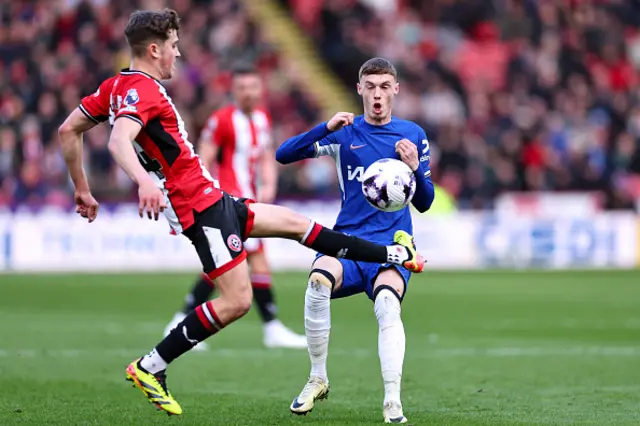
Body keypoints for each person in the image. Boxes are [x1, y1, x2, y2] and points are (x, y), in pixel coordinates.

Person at [57, 10, 425, 416]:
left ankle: (391, 256)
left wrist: (81, 187)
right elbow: (118, 141)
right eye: (175, 47)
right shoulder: (142, 92)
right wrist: (143, 179)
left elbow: (67, 131)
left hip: (213, 197)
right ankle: (151, 366)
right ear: (155, 49)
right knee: (236, 302)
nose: (178, 55)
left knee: (295, 224)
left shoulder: (114, 86)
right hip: (195, 205)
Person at [276, 57, 435, 424]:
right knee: (316, 283)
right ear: (359, 89)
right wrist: (323, 127)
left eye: (384, 87)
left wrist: (414, 168)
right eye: (371, 87)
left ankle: (392, 400)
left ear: (395, 89)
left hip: (392, 248)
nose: (377, 95)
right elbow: (284, 155)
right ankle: (318, 378)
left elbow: (425, 203)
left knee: (387, 305)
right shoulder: (344, 133)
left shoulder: (413, 135)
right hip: (346, 244)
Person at [163, 63, 306, 350]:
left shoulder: (262, 119)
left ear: (260, 89)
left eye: (253, 87)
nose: (248, 93)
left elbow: (265, 155)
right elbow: (202, 160)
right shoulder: (222, 120)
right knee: (231, 263)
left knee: (250, 261)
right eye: (242, 88)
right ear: (234, 90)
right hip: (228, 202)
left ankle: (270, 327)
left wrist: (269, 183)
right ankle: (184, 320)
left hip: (251, 200)